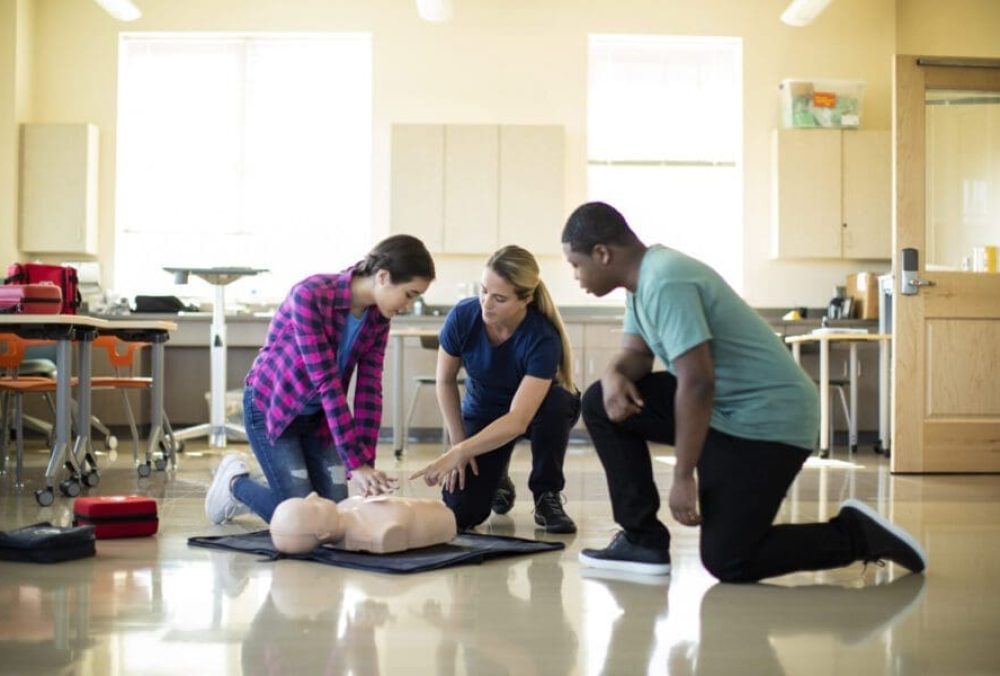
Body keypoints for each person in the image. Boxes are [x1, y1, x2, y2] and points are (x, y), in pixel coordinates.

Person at [561, 202, 928, 580]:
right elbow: (636, 354)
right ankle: (642, 541)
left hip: (768, 419)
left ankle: (856, 535)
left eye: (575, 264)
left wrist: (683, 475)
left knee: (729, 559)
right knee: (601, 400)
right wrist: (613, 373)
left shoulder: (665, 280)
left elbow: (698, 382)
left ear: (602, 254)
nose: (575, 275)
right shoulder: (640, 286)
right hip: (724, 410)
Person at [205, 235, 436, 525]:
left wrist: (366, 465)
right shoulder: (310, 294)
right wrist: (355, 463)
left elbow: (369, 390)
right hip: (274, 411)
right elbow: (327, 383)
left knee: (337, 517)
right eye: (410, 294)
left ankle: (279, 484)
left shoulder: (378, 318)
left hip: (320, 419)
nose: (409, 305)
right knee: (305, 520)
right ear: (383, 277)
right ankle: (235, 485)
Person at [410, 245, 581, 534]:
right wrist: (459, 447)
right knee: (462, 513)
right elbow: (445, 381)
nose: (486, 304)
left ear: (525, 299)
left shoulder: (542, 337)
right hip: (484, 411)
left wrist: (461, 451)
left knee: (557, 401)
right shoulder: (463, 317)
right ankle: (497, 478)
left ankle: (546, 494)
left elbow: (518, 419)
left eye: (499, 298)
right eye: (483, 291)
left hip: (536, 413)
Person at [270, 492, 458, 554]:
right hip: (441, 517)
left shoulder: (343, 507)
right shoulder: (374, 534)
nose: (313, 495)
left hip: (433, 506)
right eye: (314, 506)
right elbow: (397, 531)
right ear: (322, 534)